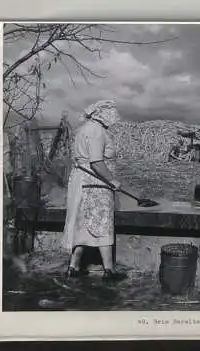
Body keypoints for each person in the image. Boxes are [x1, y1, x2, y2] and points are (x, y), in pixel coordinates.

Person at [62, 99, 127, 282]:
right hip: (95, 182)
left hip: (83, 180)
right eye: (112, 113)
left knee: (82, 224)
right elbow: (97, 162)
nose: (114, 117)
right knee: (102, 223)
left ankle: (73, 267)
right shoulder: (97, 131)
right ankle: (109, 271)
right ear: (103, 113)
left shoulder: (84, 129)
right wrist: (112, 180)